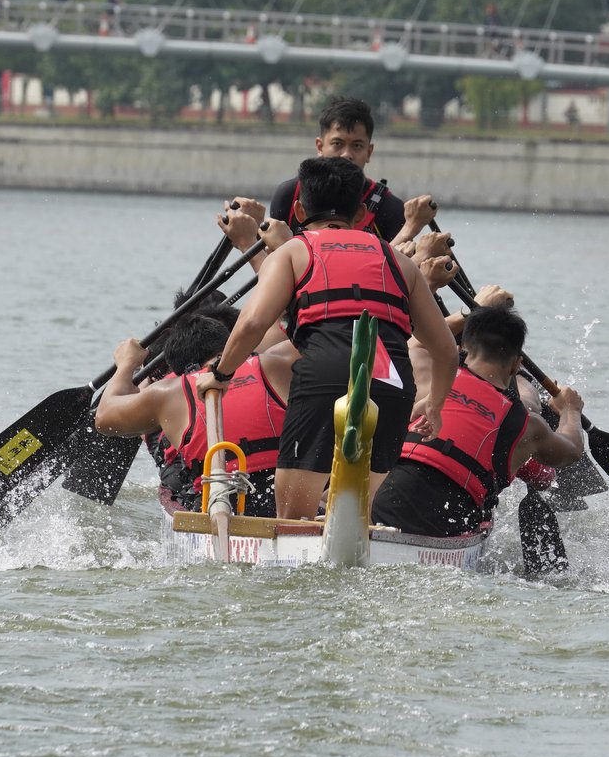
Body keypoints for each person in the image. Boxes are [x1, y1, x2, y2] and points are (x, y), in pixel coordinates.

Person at [197, 156, 459, 521]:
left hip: (324, 375)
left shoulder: (292, 252)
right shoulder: (402, 263)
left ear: (300, 208)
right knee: (356, 513)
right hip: (393, 386)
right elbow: (447, 352)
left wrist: (221, 374)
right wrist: (434, 406)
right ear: (363, 213)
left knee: (291, 519)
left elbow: (254, 323)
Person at [372, 302, 586, 539]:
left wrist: (474, 308)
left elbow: (418, 342)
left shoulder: (429, 380)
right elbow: (573, 450)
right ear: (515, 364)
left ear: (462, 348)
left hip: (383, 503)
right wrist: (570, 410)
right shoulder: (527, 425)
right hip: (448, 524)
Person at [92, 314, 295, 518]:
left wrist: (126, 364)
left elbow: (103, 418)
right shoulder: (277, 361)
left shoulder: (169, 391)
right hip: (289, 496)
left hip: (221, 505)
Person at [244, 95, 429, 246]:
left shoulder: (390, 208)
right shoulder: (289, 194)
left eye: (357, 146)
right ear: (320, 146)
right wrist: (253, 232)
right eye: (337, 144)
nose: (346, 155)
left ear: (369, 152)